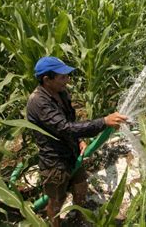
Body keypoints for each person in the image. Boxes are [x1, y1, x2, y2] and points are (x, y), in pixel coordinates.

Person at [26, 56, 127, 226]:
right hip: (55, 161)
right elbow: (65, 128)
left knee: (81, 188)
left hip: (72, 153)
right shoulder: (39, 102)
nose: (67, 80)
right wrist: (103, 122)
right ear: (46, 79)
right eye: (62, 77)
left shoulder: (61, 93)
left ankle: (79, 219)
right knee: (56, 202)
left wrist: (79, 140)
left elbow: (70, 121)